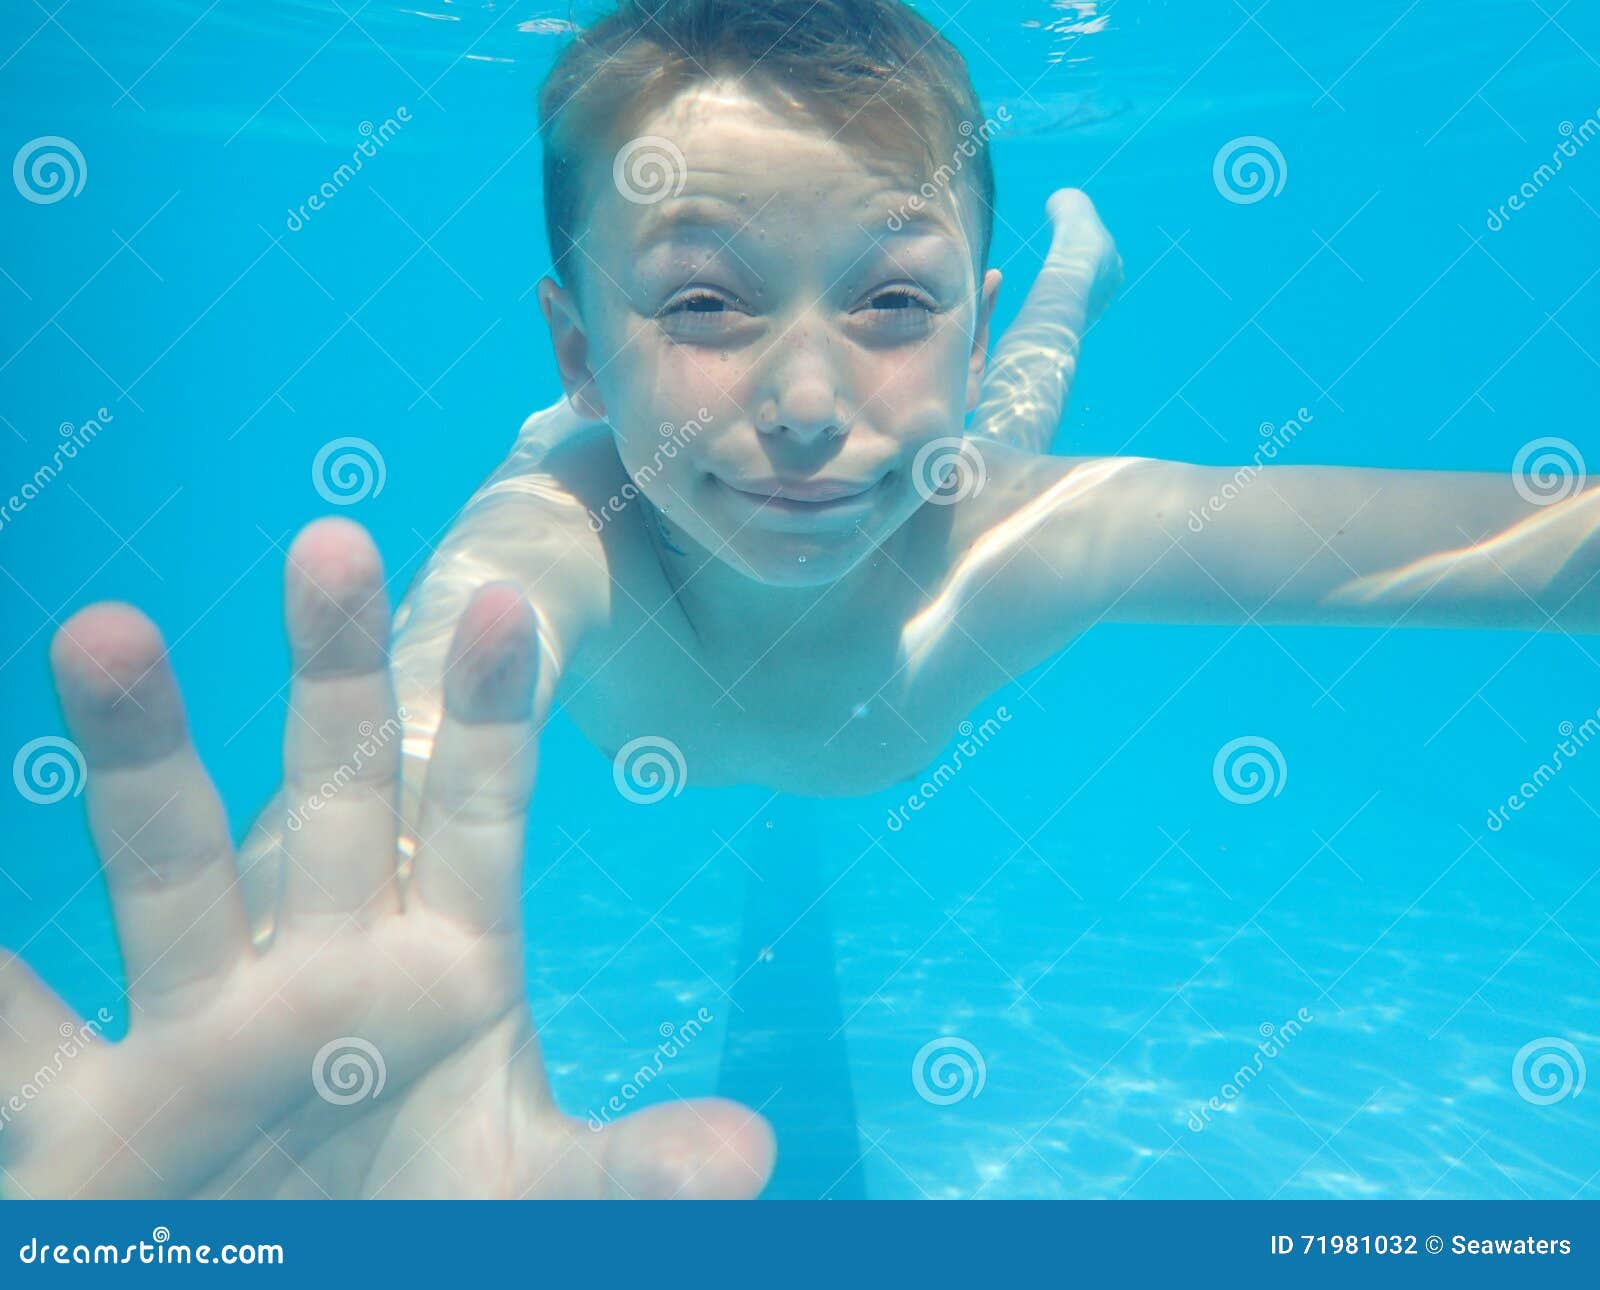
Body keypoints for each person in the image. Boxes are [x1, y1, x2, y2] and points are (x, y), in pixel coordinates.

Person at [4, 0, 1595, 1200]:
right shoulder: (559, 539)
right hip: (648, 473)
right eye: (706, 301)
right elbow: (416, 716)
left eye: (894, 297)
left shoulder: (1009, 536)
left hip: (941, 480)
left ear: (946, 323)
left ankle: (1058, 276)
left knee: (996, 445)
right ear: (577, 347)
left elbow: (1497, 544)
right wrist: (272, 1009)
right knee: (911, 449)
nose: (812, 397)